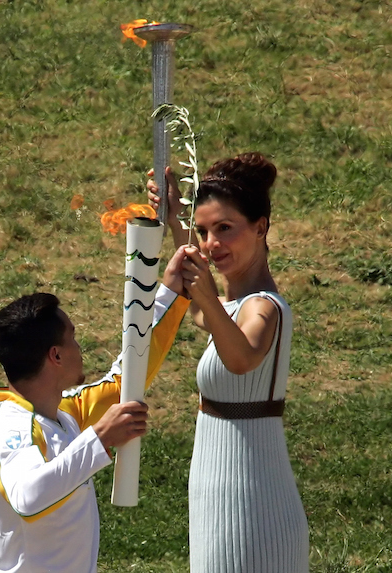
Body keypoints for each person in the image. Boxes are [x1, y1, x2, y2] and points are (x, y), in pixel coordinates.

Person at [148, 152, 309, 572]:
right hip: (216, 491)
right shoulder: (233, 307)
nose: (210, 244)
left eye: (225, 229)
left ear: (260, 227)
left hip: (253, 500)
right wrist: (175, 218)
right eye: (204, 232)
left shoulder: (264, 309)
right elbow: (212, 316)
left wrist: (202, 294)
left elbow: (241, 357)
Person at [0, 263, 190, 573]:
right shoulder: (12, 428)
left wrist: (170, 294)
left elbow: (124, 381)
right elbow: (27, 498)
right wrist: (100, 438)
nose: (80, 347)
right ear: (56, 356)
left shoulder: (64, 413)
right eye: (72, 338)